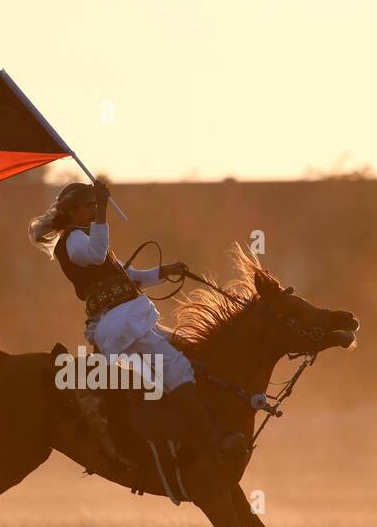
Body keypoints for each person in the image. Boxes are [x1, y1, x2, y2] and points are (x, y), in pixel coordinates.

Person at [29, 179, 245, 462]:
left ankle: (187, 426)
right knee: (177, 368)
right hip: (119, 324)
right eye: (89, 206)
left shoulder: (88, 238)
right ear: (70, 211)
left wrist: (164, 270)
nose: (94, 210)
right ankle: (213, 438)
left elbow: (129, 276)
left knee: (188, 347)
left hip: (131, 320)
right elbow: (95, 255)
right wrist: (105, 210)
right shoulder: (73, 240)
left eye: (95, 205)